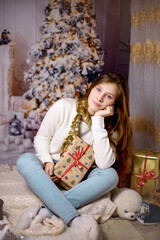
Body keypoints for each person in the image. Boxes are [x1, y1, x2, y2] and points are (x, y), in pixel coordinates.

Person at [17, 72, 133, 239]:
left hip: (83, 174)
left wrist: (98, 121)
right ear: (91, 87)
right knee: (24, 160)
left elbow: (104, 164)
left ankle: (46, 211)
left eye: (108, 96)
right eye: (98, 89)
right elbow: (42, 137)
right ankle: (74, 219)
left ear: (115, 102)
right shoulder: (64, 106)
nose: (100, 98)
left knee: (110, 175)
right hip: (51, 165)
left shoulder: (111, 126)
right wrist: (48, 161)